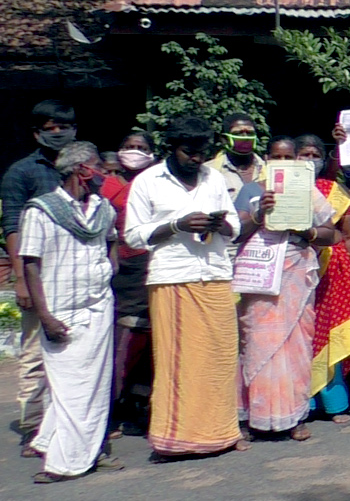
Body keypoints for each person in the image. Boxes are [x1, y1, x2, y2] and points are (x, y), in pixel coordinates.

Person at [124, 116, 246, 457]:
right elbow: (133, 235)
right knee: (179, 361)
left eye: (202, 153)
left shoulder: (214, 178)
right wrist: (176, 225)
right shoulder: (148, 181)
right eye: (189, 152)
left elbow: (235, 223)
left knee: (220, 356)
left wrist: (221, 224)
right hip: (173, 278)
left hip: (216, 274)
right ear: (171, 148)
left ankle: (222, 432)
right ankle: (176, 438)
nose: (196, 159)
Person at [20, 141, 122, 482]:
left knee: (95, 384)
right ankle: (65, 462)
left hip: (98, 306)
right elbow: (31, 264)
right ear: (81, 170)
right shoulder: (41, 211)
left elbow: (111, 241)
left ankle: (90, 450)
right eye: (99, 169)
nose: (105, 176)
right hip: (61, 310)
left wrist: (110, 268)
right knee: (72, 386)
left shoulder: (102, 209)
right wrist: (45, 316)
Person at [236, 137, 339, 441]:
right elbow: (234, 231)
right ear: (267, 159)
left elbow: (330, 233)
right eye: (276, 157)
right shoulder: (252, 190)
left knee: (295, 346)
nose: (283, 161)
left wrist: (306, 230)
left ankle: (294, 416)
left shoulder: (308, 191)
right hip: (260, 276)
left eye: (288, 157)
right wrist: (258, 214)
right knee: (257, 344)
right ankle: (252, 419)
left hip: (296, 274)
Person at [5, 100, 74, 455]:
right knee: (35, 352)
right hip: (37, 274)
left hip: (72, 275)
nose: (59, 133)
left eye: (65, 126)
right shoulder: (22, 172)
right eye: (51, 128)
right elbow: (12, 226)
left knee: (70, 351)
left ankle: (65, 421)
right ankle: (34, 427)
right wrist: (19, 278)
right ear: (37, 133)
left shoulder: (78, 167)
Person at [293, 134, 350, 424]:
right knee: (298, 340)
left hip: (333, 273)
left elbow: (348, 236)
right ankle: (304, 405)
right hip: (292, 272)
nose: (309, 160)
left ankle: (335, 404)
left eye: (314, 155)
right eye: (303, 154)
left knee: (331, 335)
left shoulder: (333, 190)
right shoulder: (280, 188)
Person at [101, 132, 158, 436]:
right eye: (130, 147)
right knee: (125, 340)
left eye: (143, 148)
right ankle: (111, 407)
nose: (135, 152)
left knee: (153, 340)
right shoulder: (105, 184)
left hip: (155, 264)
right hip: (122, 268)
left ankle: (140, 402)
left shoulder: (157, 181)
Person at [206, 113, 265, 201]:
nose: (245, 137)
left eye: (250, 133)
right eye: (238, 133)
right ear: (224, 139)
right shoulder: (208, 172)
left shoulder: (267, 169)